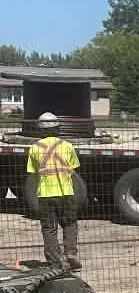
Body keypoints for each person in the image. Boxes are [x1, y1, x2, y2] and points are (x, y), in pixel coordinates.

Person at [25, 112, 84, 271]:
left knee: (49, 228)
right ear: (58, 128)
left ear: (40, 130)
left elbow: (33, 172)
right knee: (70, 223)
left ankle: (55, 261)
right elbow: (73, 170)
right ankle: (70, 253)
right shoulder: (67, 146)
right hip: (66, 193)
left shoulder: (34, 149)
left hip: (45, 194)